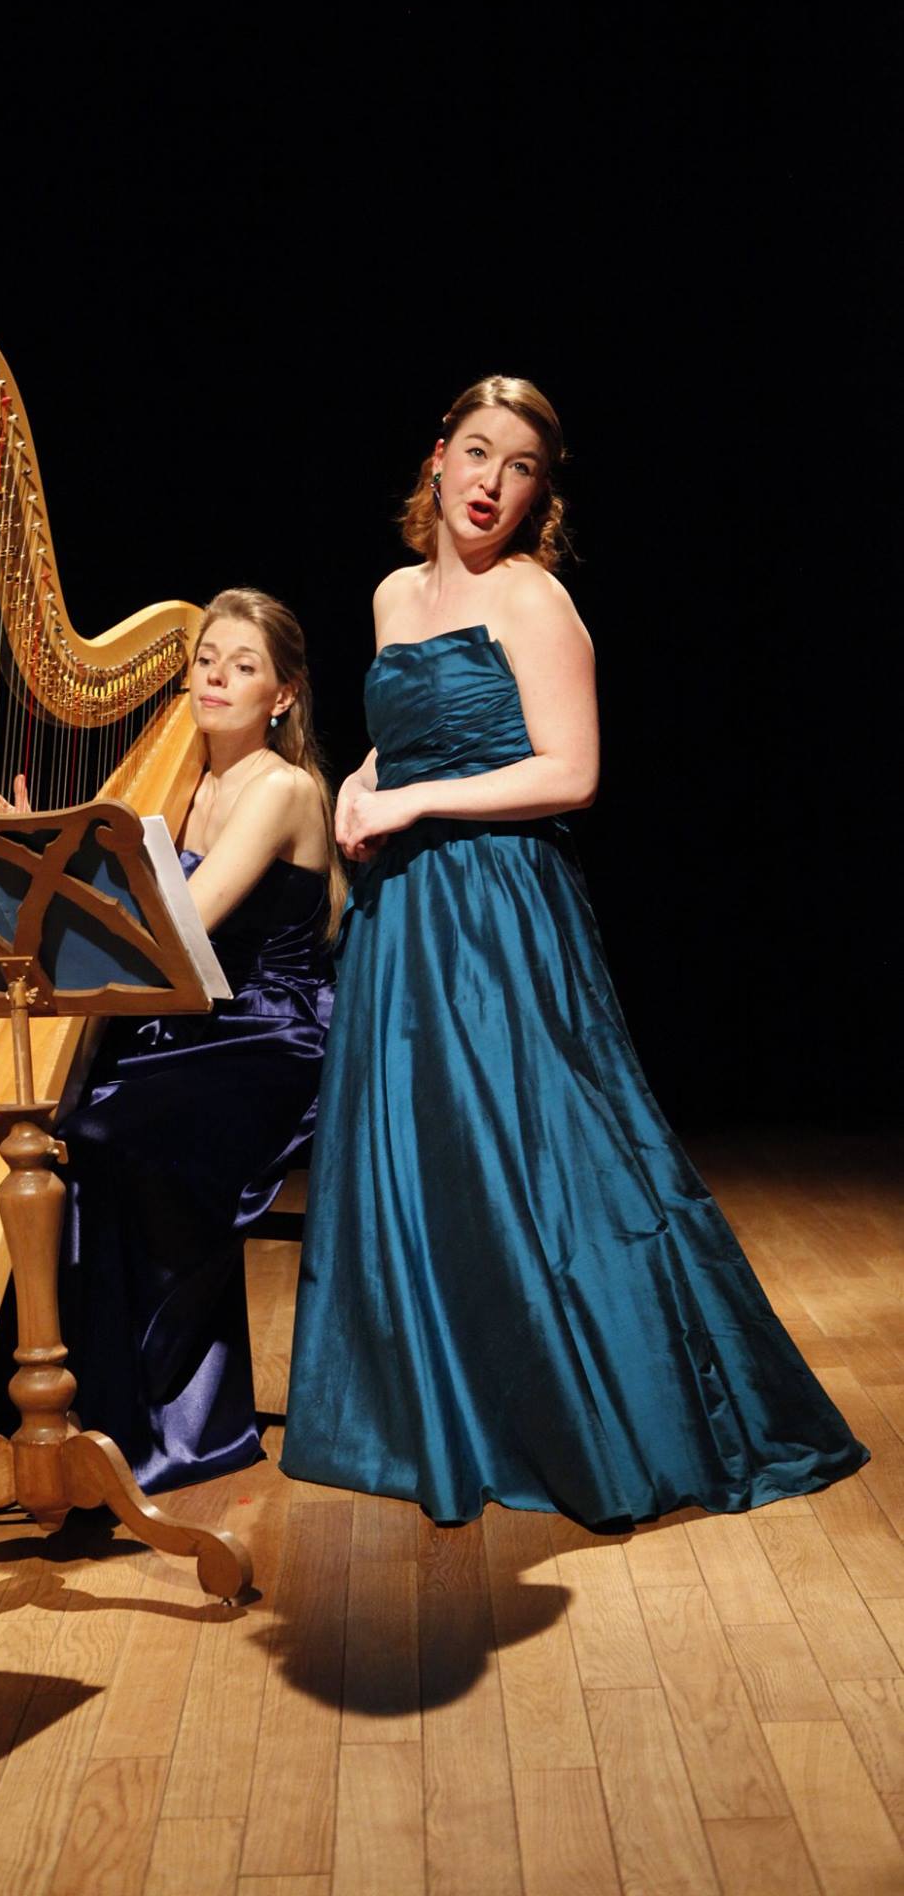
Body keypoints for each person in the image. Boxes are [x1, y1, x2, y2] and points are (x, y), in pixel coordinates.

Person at [281, 377, 867, 1529]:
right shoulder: (394, 593)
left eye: (521, 468)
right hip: (405, 912)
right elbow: (406, 740)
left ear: (540, 493)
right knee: (423, 1154)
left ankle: (612, 1407)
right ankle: (438, 1408)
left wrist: (414, 801)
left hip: (497, 907)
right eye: (478, 452)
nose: (491, 483)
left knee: (546, 1157)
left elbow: (572, 770)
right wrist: (363, 780)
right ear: (438, 455)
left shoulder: (535, 598)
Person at [0, 588, 340, 1493]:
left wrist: (46, 860)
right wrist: (28, 851)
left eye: (242, 666)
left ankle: (165, 1426)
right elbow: (127, 923)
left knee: (109, 1135)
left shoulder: (280, 788)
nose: (215, 678)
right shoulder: (183, 782)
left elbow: (175, 928)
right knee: (61, 1128)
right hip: (186, 1028)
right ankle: (59, 1413)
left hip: (268, 1032)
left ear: (283, 695)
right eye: (206, 660)